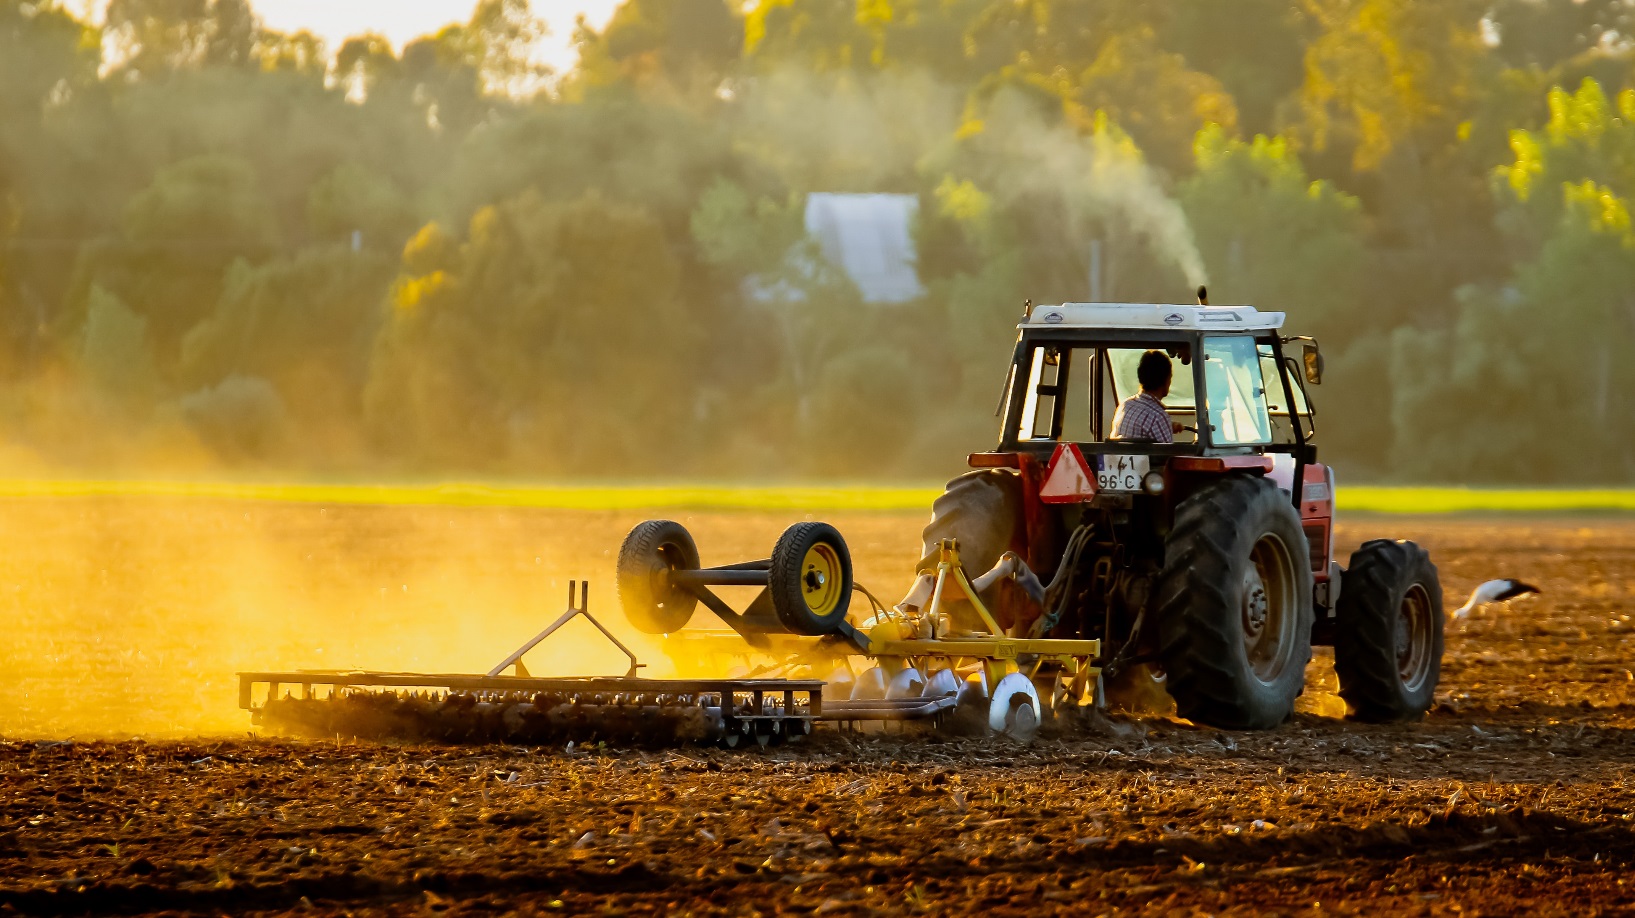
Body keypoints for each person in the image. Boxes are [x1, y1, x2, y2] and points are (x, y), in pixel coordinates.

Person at [1111, 350, 1185, 443]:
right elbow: (1167, 456)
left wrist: (1168, 426)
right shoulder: (1159, 417)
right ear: (1166, 379)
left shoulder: (1125, 405)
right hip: (1145, 458)